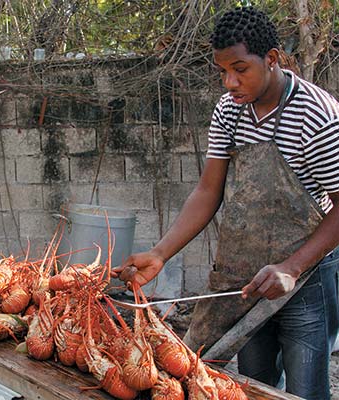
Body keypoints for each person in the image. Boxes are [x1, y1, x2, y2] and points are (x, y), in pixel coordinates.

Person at [115, 6, 339, 400]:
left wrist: (292, 266)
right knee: (251, 384)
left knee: (305, 391)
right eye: (222, 71)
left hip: (306, 276)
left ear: (271, 59)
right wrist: (161, 253)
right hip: (246, 279)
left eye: (240, 69)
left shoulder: (317, 116)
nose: (229, 82)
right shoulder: (229, 110)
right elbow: (208, 191)